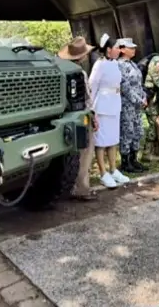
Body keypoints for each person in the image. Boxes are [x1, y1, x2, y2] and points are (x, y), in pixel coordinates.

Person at [58, 37, 99, 201]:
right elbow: (87, 98)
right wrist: (93, 116)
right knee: (85, 153)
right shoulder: (79, 73)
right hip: (81, 116)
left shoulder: (60, 70)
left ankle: (67, 186)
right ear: (82, 56)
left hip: (64, 117)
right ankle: (81, 188)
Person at [87, 34, 128, 189]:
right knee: (102, 142)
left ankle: (113, 169)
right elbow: (92, 86)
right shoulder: (99, 64)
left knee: (112, 139)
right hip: (102, 106)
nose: (119, 50)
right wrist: (91, 109)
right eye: (117, 47)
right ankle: (103, 173)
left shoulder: (115, 64)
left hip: (114, 104)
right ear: (109, 49)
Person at [116, 38, 147, 174]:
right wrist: (139, 100)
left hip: (137, 104)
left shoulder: (133, 64)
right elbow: (125, 87)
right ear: (122, 49)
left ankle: (134, 159)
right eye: (130, 48)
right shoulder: (119, 65)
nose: (134, 50)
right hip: (127, 104)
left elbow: (138, 84)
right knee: (127, 132)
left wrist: (144, 96)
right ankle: (125, 161)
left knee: (137, 130)